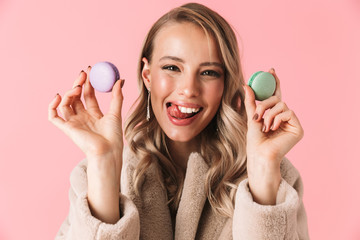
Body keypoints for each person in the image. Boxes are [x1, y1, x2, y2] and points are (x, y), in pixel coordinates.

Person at [49, 3, 309, 239]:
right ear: (147, 75)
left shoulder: (277, 177)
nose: (188, 89)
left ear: (225, 85)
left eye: (208, 72)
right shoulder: (89, 177)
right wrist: (104, 164)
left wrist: (263, 170)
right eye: (172, 68)